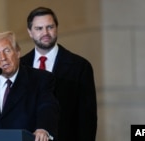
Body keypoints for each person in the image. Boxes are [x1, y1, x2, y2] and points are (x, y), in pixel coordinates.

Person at [20, 7, 97, 141]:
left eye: (50, 27)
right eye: (39, 28)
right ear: (30, 32)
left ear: (56, 28)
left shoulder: (80, 66)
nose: (45, 33)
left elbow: (87, 118)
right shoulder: (20, 66)